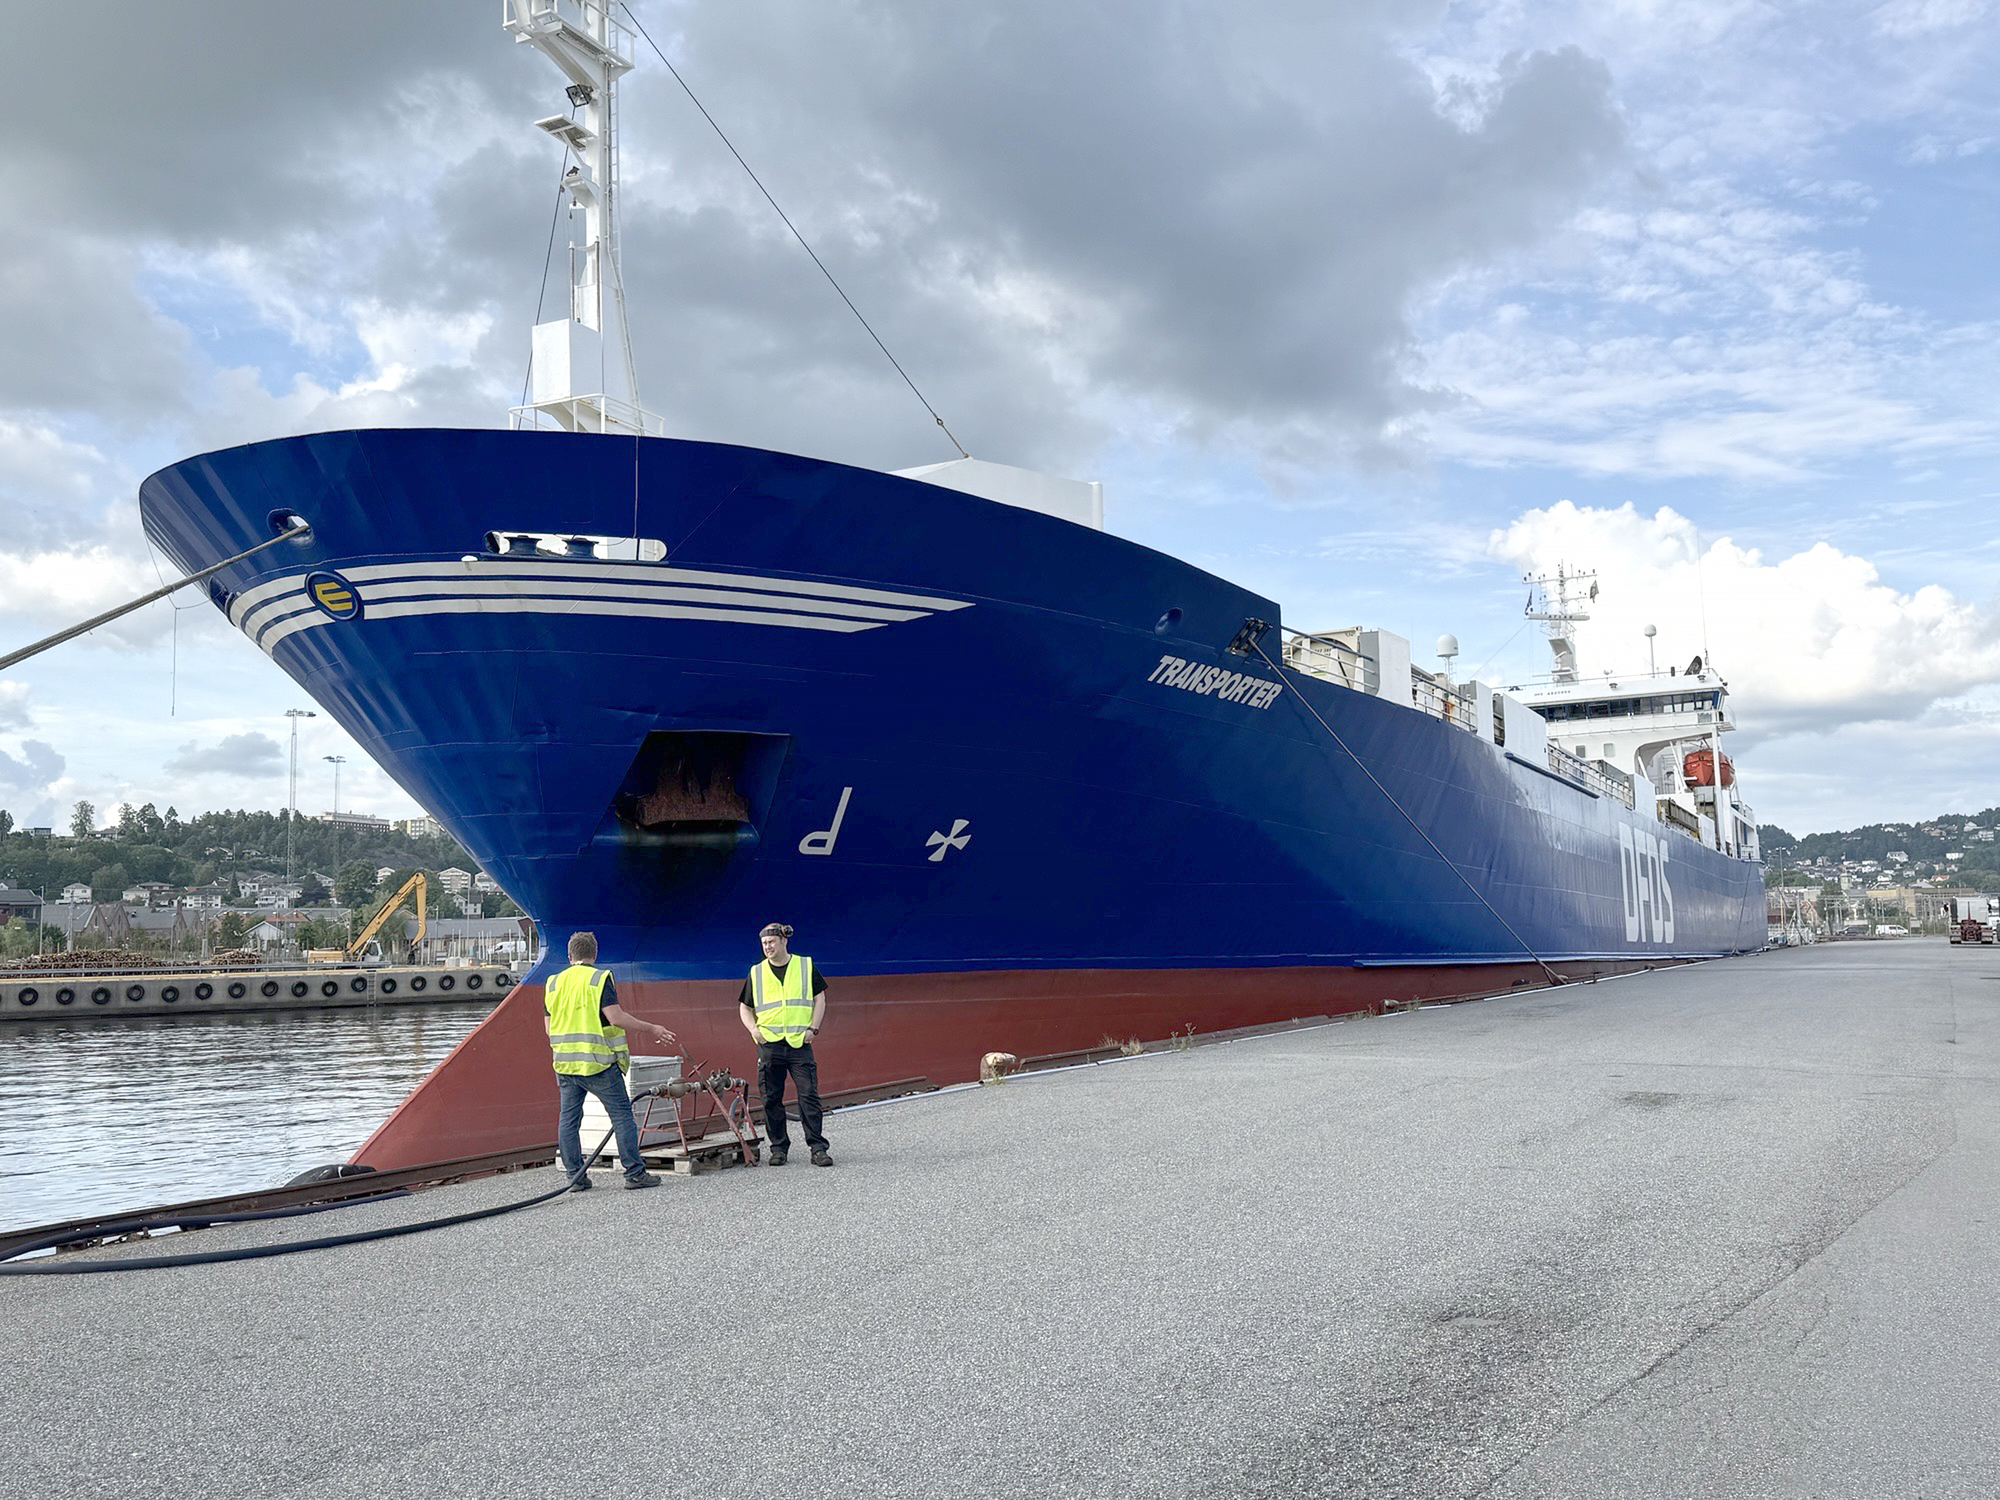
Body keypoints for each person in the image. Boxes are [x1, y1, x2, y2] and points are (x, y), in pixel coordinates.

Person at [546, 930, 677, 1190]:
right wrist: (651, 1028)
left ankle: (575, 1177)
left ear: (569, 955)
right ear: (594, 954)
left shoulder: (553, 983)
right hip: (598, 1064)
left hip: (565, 1065)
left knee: (569, 1120)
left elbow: (549, 1028)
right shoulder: (599, 979)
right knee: (622, 1116)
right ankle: (634, 1173)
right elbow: (615, 1018)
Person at [738, 922, 832, 1166]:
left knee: (808, 1096)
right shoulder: (756, 972)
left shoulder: (804, 965)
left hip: (799, 1043)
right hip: (769, 1045)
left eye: (771, 942)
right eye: (764, 944)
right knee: (771, 1098)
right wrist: (754, 1031)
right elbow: (744, 1007)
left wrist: (814, 1028)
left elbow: (819, 997)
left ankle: (818, 1148)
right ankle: (779, 1149)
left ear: (784, 941)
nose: (767, 947)